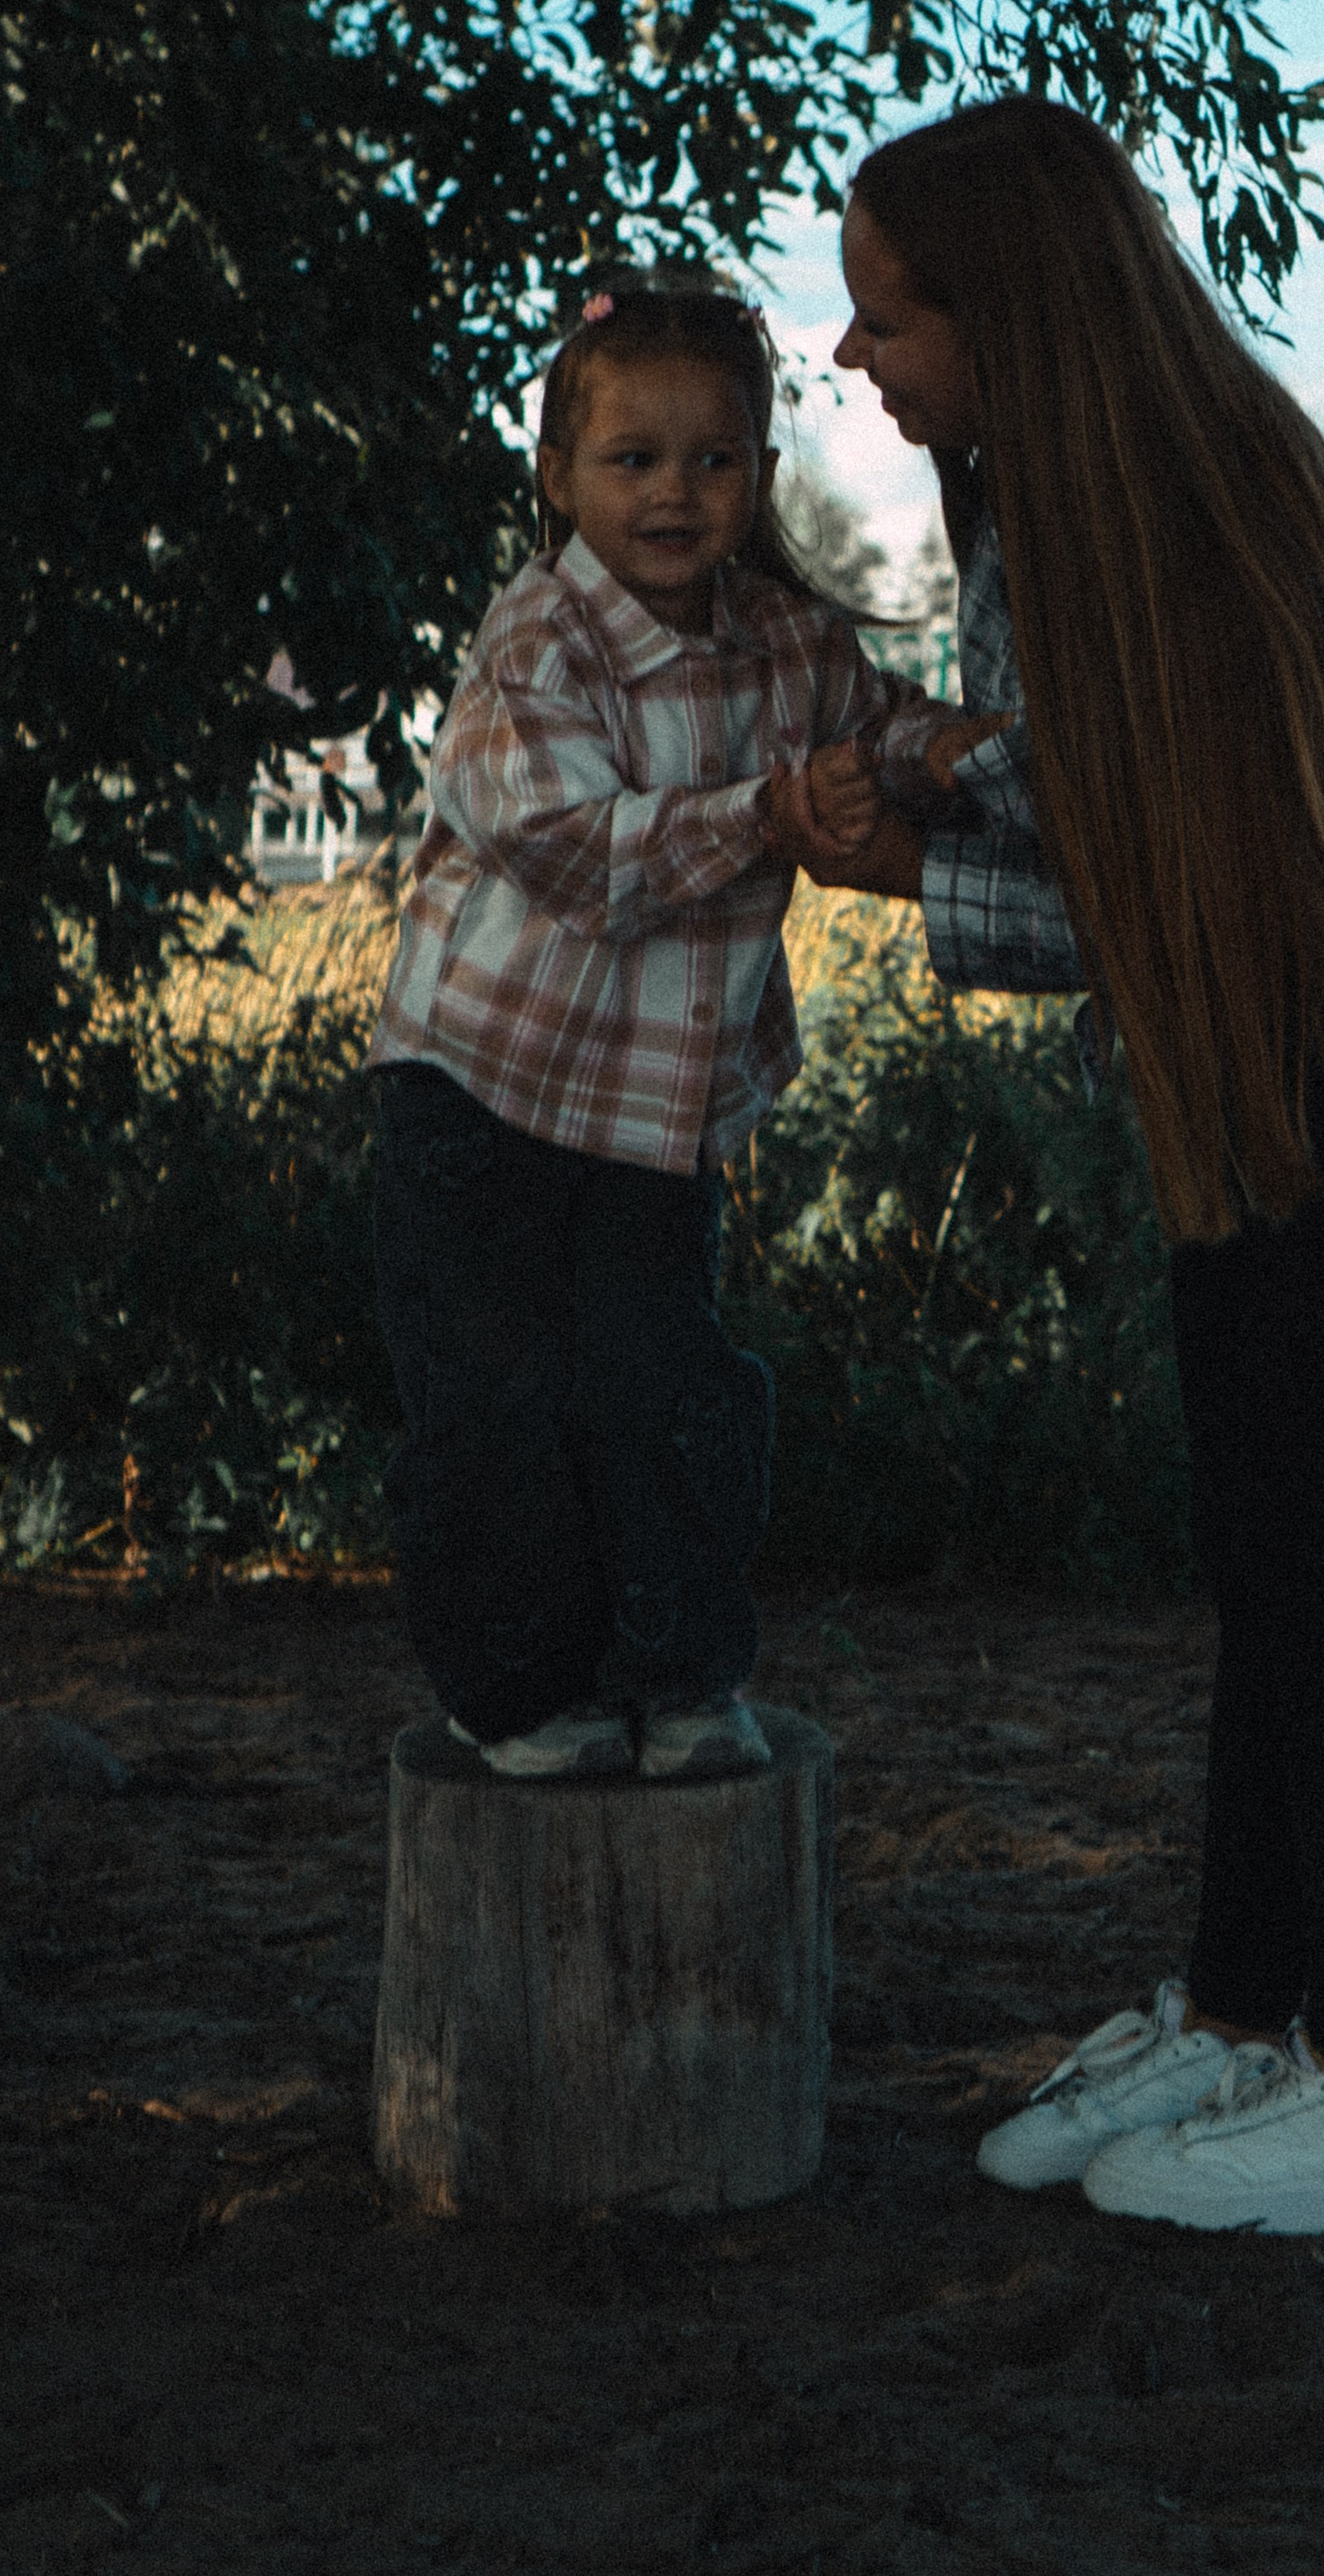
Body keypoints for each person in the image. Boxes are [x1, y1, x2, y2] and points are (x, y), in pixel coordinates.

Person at [816, 96, 1324, 2238]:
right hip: (1284, 1065)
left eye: (887, 314)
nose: (852, 352)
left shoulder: (1153, 519)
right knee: (1264, 1545)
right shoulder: (1061, 500)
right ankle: (1248, 2011)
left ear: (1012, 314)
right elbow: (1111, 838)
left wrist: (907, 859)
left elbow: (1161, 886)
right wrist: (930, 796)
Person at [366, 272, 955, 1783]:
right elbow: (572, 848)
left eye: (714, 461)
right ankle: (516, 1696)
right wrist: (771, 810)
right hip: (479, 1093)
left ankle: (682, 1675)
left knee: (661, 1385)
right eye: (633, 461)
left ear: (760, 477)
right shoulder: (534, 646)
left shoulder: (785, 642)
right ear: (559, 477)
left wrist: (933, 755)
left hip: (655, 1112)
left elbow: (875, 727)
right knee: (495, 1402)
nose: (676, 493)